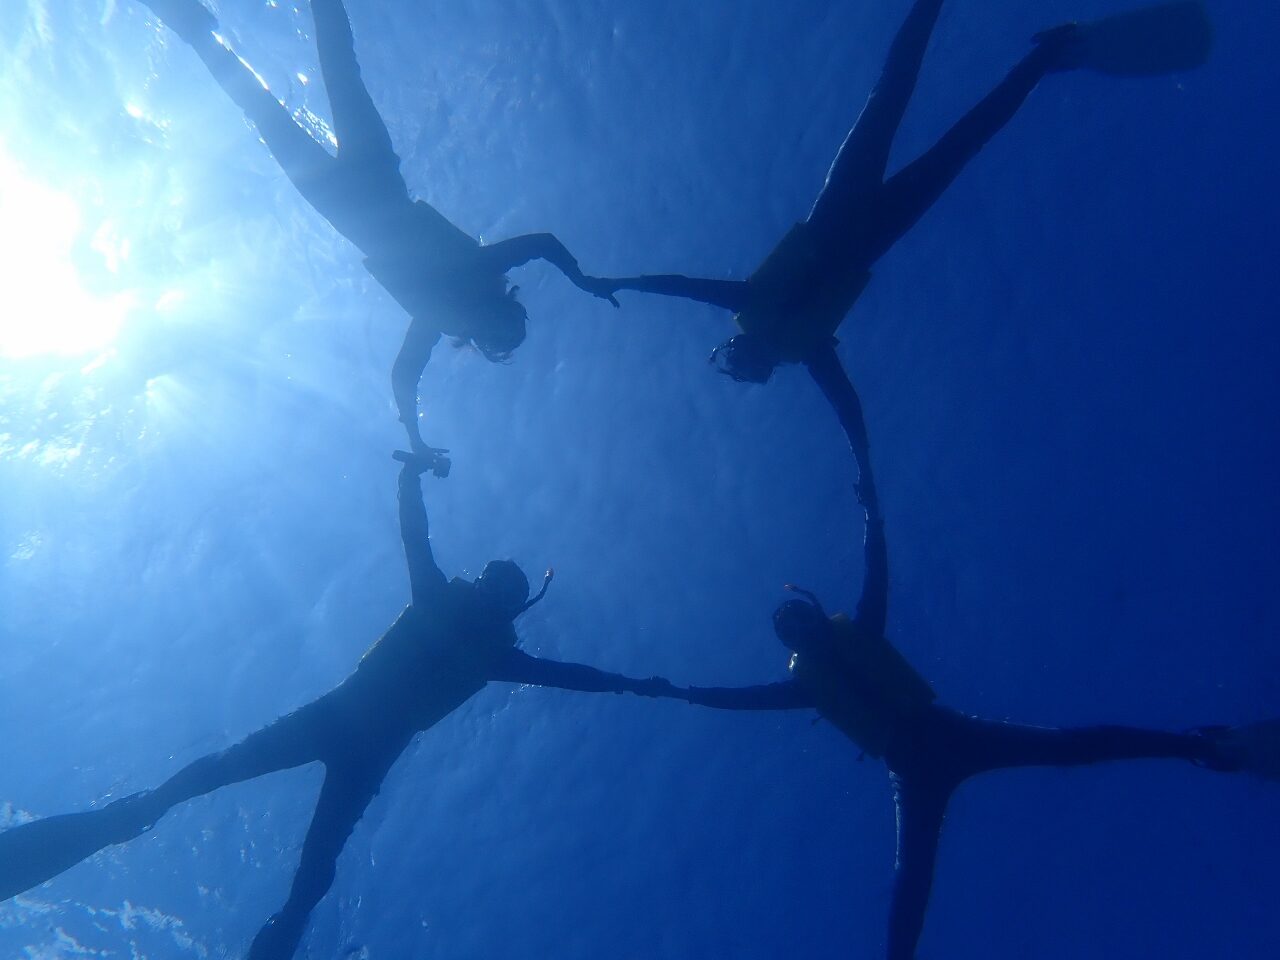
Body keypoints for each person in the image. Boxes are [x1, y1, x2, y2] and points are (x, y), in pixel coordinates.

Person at [640, 384, 1274, 960]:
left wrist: (872, 514)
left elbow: (876, 572)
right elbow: (744, 700)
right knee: (913, 877)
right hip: (912, 768)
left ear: (811, 616)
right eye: (787, 630)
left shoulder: (857, 632)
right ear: (792, 641)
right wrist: (683, 692)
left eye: (797, 619)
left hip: (944, 734)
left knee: (1068, 748)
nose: (797, 630)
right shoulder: (804, 684)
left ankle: (1206, 744)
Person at [0, 451, 673, 960]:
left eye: (502, 589)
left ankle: (210, 876)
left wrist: (633, 682)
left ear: (506, 603)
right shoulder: (462, 623)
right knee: (241, 787)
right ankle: (145, 815)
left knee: (298, 847)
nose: (492, 591)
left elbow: (570, 672)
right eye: (496, 581)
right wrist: (408, 477)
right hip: (350, 730)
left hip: (353, 737)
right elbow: (421, 540)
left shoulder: (480, 640)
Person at [597, 0, 1213, 384]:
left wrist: (620, 282)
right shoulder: (798, 345)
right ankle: (1047, 57)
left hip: (852, 216)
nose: (746, 356)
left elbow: (682, 287)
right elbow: (846, 407)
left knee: (919, 115)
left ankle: (1035, 51)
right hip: (868, 227)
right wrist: (620, 283)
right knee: (933, 125)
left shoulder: (770, 318)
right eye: (744, 364)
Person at [137, 0, 618, 467]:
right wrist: (581, 279)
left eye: (500, 336)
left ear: (481, 339)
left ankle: (194, 29)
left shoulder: (443, 313)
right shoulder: (476, 275)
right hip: (372, 182)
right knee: (337, 75)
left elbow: (405, 374)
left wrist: (415, 434)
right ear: (503, 309)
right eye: (509, 324)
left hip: (345, 203)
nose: (498, 327)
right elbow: (540, 243)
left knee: (267, 108)